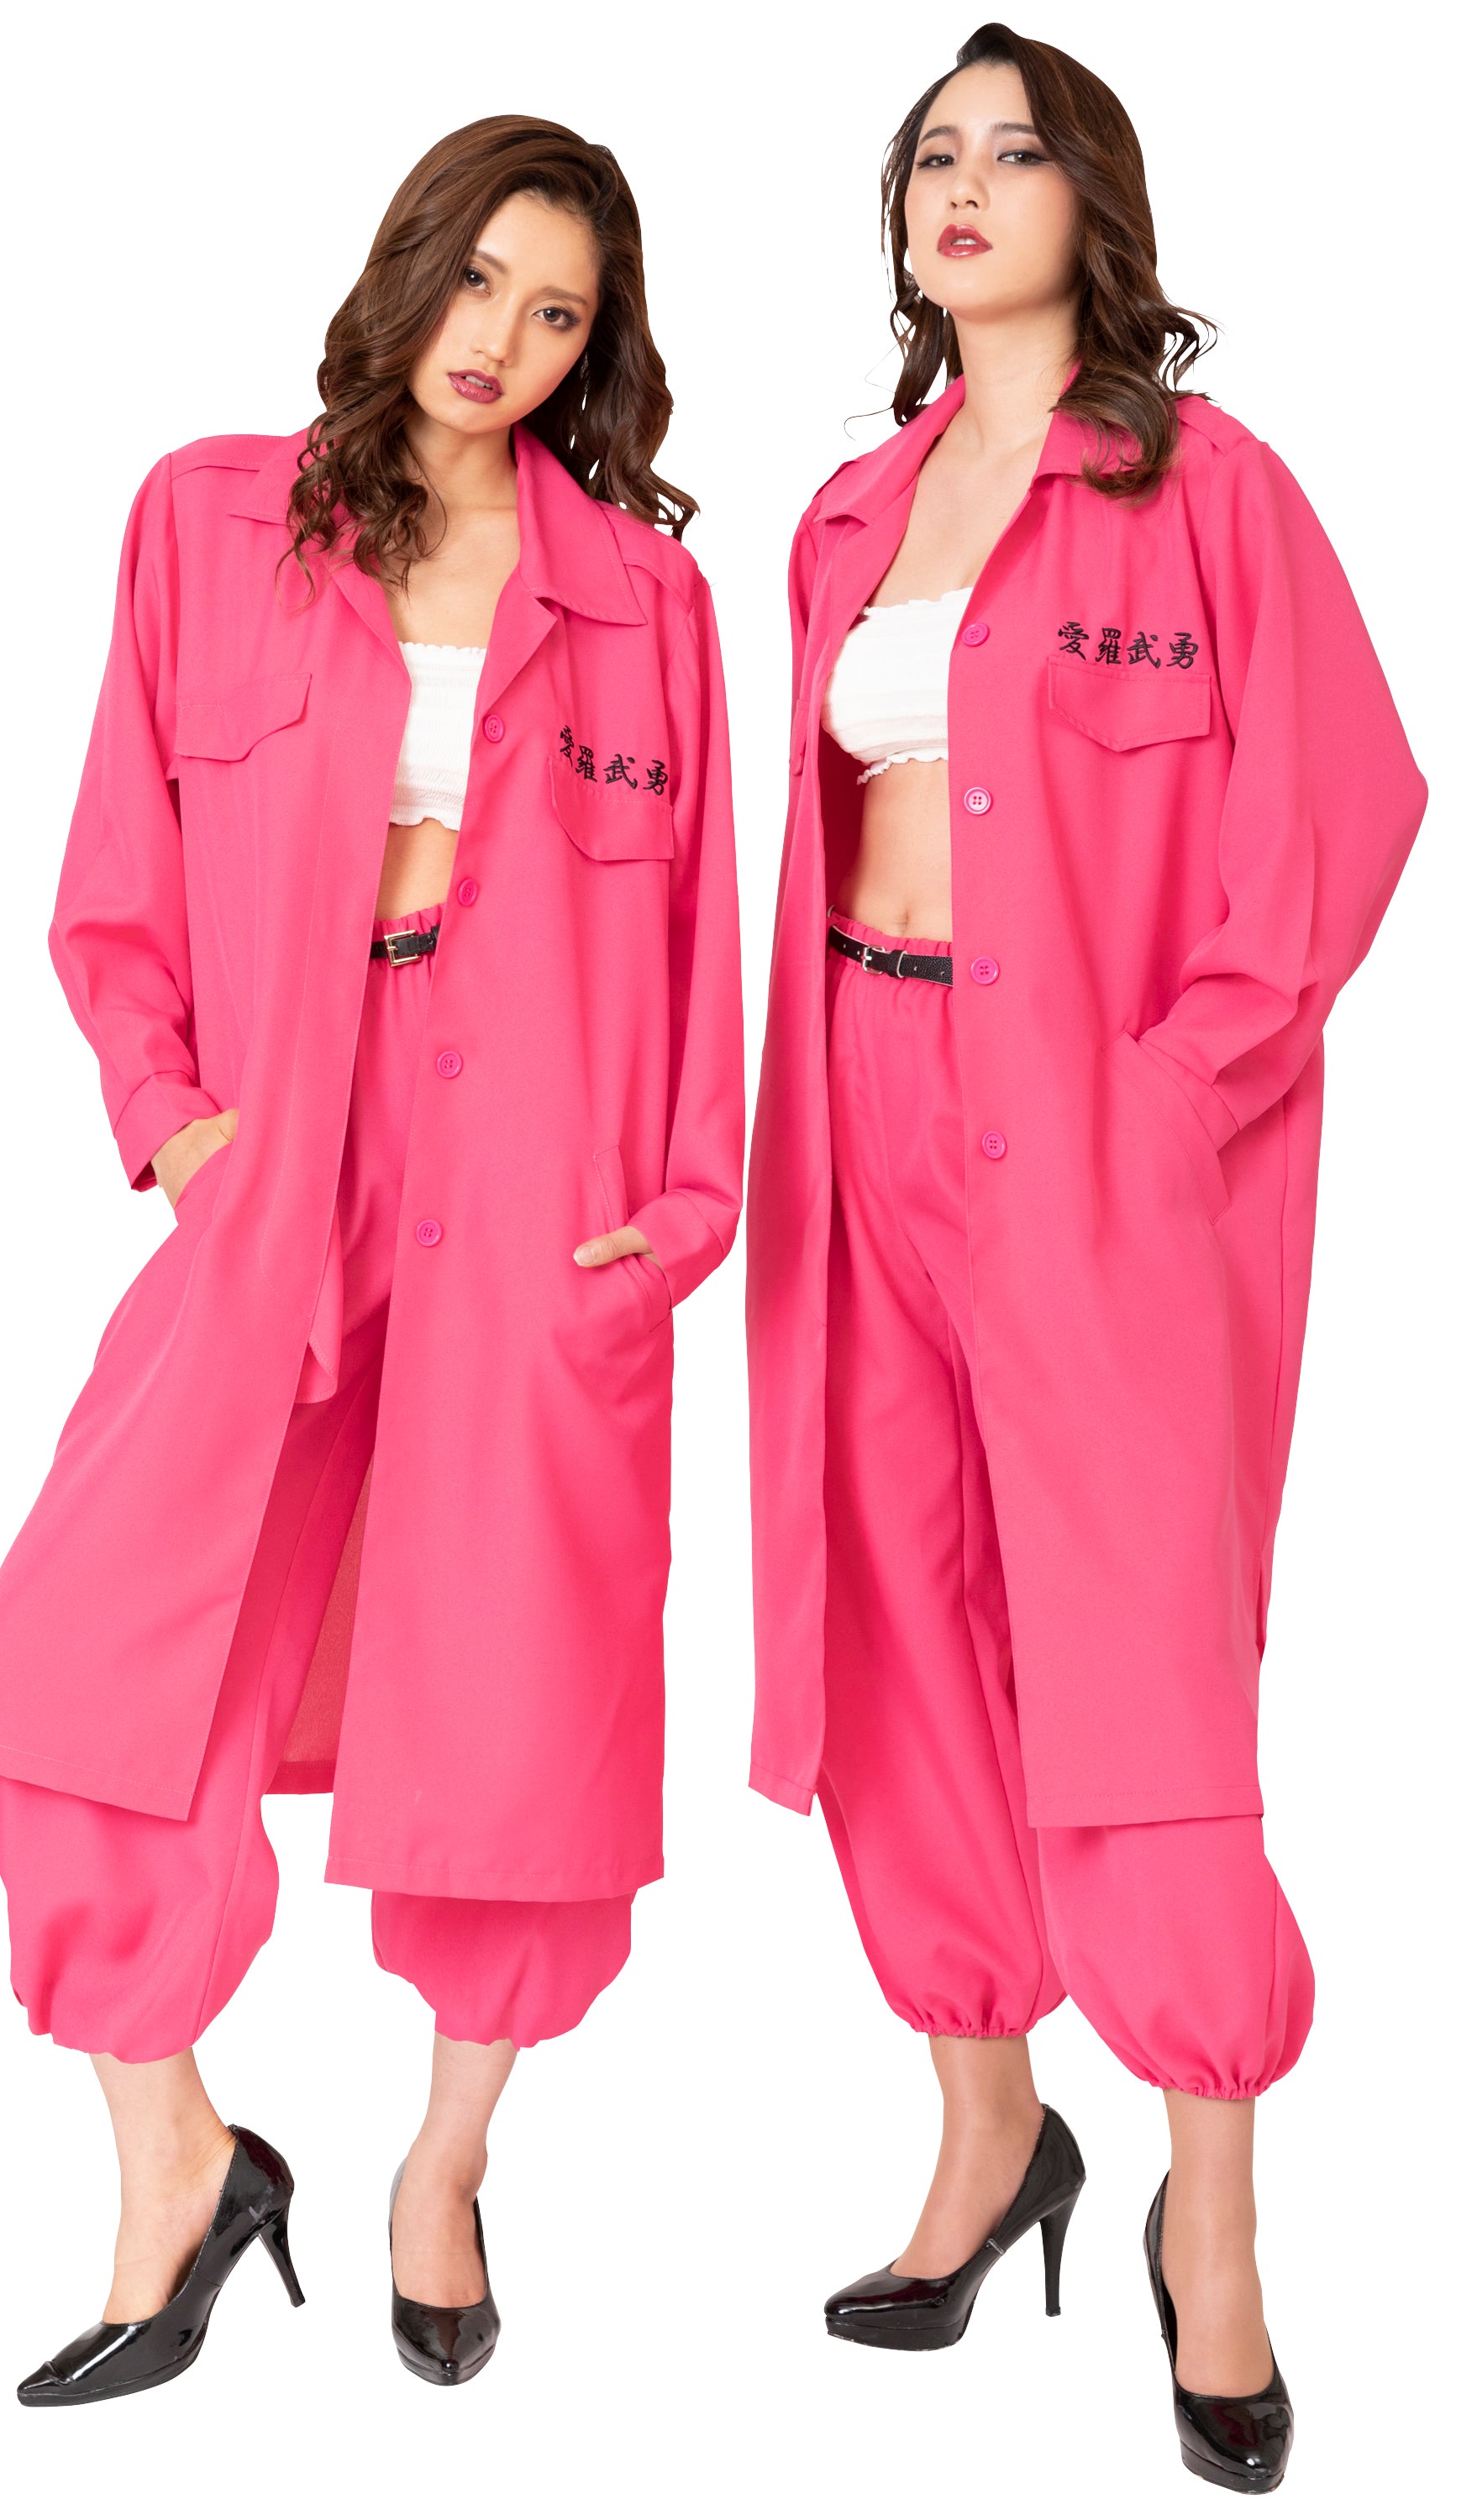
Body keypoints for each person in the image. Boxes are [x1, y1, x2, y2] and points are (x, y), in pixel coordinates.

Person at [0, 114, 742, 2401]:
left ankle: (444, 2168)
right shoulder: (212, 519)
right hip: (279, 1149)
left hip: (542, 1184)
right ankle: (178, 2164)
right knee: (78, 1680)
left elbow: (702, 940)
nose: (503, 340)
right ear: (409, 266)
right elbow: (114, 867)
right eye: (479, 279)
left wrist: (679, 1217)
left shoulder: (644, 603)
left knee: (513, 1707)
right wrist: (171, 1120)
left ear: (596, 349)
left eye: (558, 312)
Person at [744, 23, 1423, 2494]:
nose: (965, 184)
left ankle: (1208, 2219)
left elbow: (1342, 810)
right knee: (895, 1620)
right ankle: (984, 2123)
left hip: (1105, 1128)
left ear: (1091, 208)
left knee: (1136, 1657)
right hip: (859, 1098)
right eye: (934, 153)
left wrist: (1172, 1089)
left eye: (1015, 152)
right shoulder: (849, 509)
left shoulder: (1207, 489)